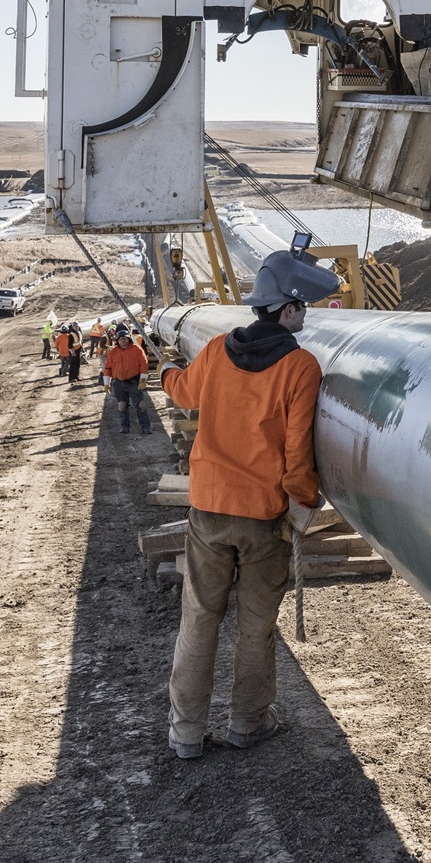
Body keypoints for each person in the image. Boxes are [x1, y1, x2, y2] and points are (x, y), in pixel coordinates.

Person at [161, 247, 341, 760]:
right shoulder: (301, 368)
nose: (306, 314)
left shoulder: (217, 350)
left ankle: (186, 734)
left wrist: (169, 371)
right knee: (256, 624)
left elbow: (184, 393)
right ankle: (247, 722)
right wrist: (304, 505)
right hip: (262, 519)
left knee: (199, 618)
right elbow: (297, 452)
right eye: (303, 306)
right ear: (286, 310)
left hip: (209, 510)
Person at [103, 325, 153, 435]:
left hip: (134, 382)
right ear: (117, 340)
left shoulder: (137, 350)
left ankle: (146, 427)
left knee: (140, 405)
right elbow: (108, 368)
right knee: (122, 406)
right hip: (119, 383)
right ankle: (124, 426)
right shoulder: (113, 352)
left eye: (125, 338)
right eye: (121, 339)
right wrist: (106, 383)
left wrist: (143, 380)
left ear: (129, 339)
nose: (123, 341)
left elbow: (144, 365)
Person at [66, 321, 83, 385]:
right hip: (73, 351)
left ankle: (76, 376)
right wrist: (72, 352)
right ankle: (71, 378)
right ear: (73, 327)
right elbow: (69, 345)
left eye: (77, 326)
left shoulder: (79, 332)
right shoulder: (71, 334)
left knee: (77, 364)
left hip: (78, 351)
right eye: (75, 326)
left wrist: (82, 348)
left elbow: (80, 341)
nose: (76, 327)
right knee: (73, 365)